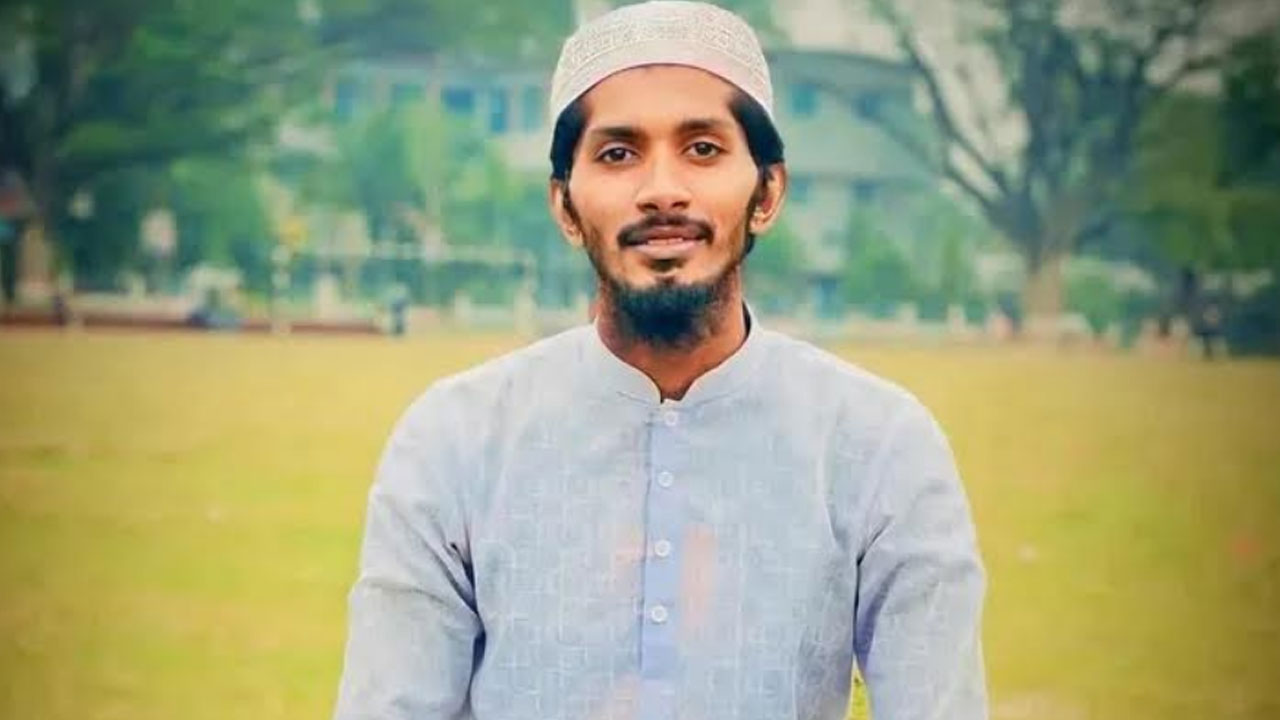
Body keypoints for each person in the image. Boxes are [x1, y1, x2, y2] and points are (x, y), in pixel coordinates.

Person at [333, 3, 987, 719]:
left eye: (703, 149)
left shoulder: (876, 445)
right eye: (618, 154)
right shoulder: (455, 442)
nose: (662, 190)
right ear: (565, 206)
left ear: (767, 193)